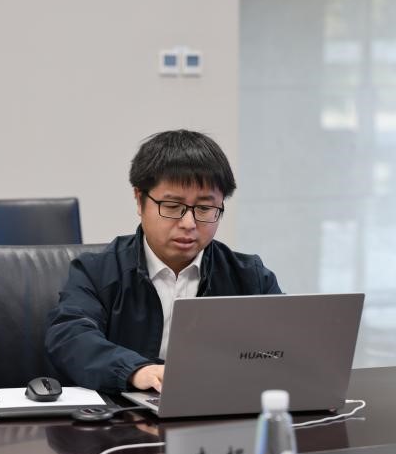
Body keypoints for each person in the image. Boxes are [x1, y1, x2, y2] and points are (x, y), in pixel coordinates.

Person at [45, 130, 281, 394]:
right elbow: (71, 337)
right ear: (140, 200)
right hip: (123, 412)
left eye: (204, 208)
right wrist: (136, 370)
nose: (189, 223)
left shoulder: (250, 277)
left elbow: (286, 348)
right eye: (172, 206)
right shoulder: (96, 272)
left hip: (221, 407)